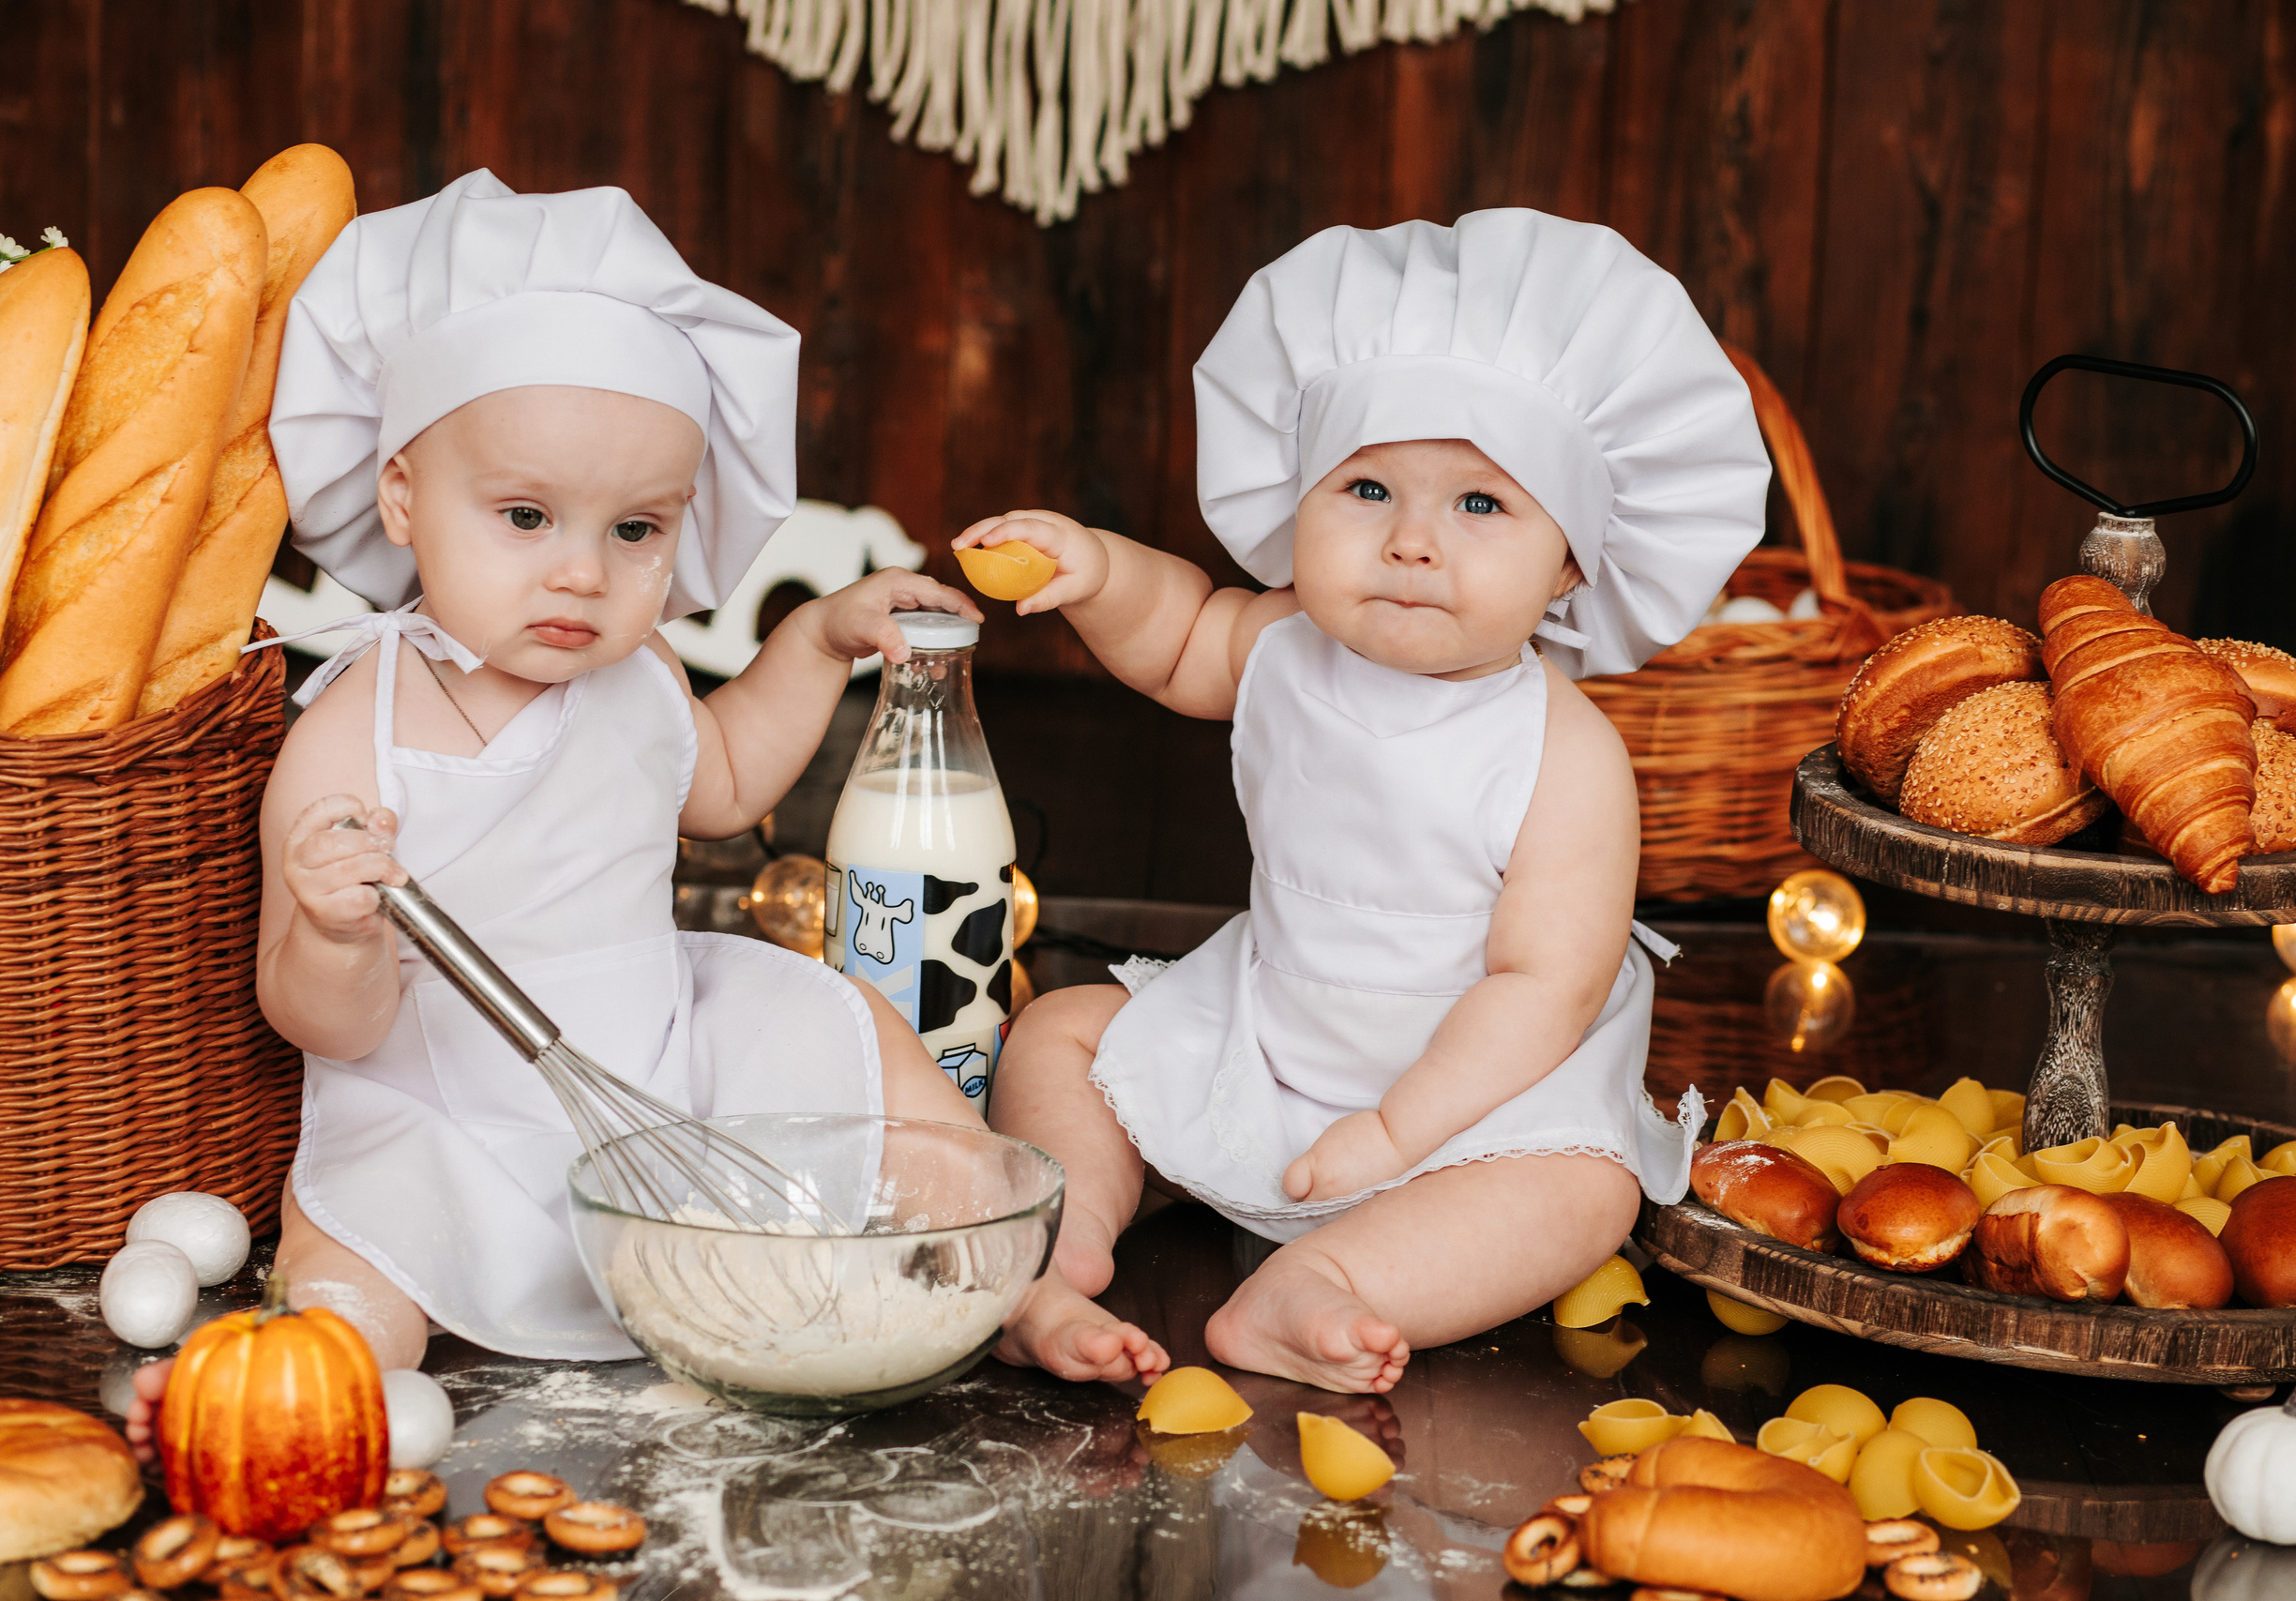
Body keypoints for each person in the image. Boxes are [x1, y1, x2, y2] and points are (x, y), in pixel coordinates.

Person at [127, 170, 981, 1450]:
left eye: (636, 529)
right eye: (525, 516)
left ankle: (999, 1252)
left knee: (840, 1018)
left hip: (660, 1066)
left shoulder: (634, 676)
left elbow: (730, 781)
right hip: (442, 1097)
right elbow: (318, 1021)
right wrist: (336, 930)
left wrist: (814, 641)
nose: (581, 571)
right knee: (356, 1245)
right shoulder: (355, 728)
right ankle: (293, 1384)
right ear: (404, 495)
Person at [960, 209, 1769, 1393]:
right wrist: (1095, 571)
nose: (1410, 543)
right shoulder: (1285, 641)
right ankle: (1066, 1231)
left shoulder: (1562, 752)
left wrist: (1400, 1132)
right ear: (1298, 505)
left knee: (1585, 1192)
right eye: (1369, 489)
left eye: (1480, 506)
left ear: (1574, 564)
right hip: (1269, 1031)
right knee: (1061, 1031)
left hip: (1470, 1102)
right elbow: (1180, 634)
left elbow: (1545, 987)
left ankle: (1332, 1284)